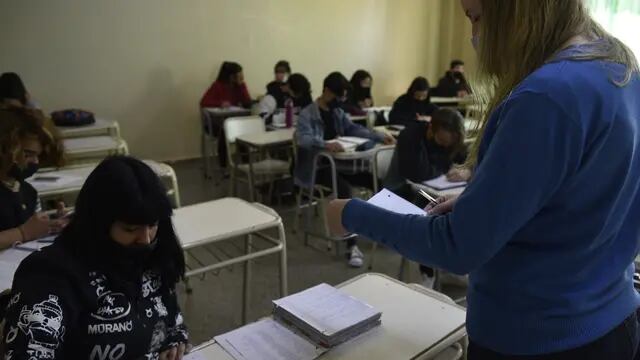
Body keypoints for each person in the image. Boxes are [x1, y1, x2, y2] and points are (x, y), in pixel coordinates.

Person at [326, 0, 640, 358]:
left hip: (539, 336)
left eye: (477, 17)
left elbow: (458, 247)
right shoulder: (618, 67)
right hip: (612, 318)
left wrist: (352, 213)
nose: (475, 35)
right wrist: (486, 201)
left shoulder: (546, 96)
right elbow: (585, 194)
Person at [1, 156, 189, 359]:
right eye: (130, 229)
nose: (145, 239)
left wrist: (175, 336)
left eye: (152, 225)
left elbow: (170, 315)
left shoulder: (153, 253)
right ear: (99, 224)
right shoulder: (49, 275)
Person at [295, 72, 395, 268]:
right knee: (345, 192)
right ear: (326, 91)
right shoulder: (308, 113)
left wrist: (378, 136)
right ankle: (352, 246)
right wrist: (325, 144)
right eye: (337, 97)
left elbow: (353, 129)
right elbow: (303, 139)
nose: (339, 102)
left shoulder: (337, 112)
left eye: (342, 98)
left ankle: (387, 230)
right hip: (318, 168)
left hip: (341, 164)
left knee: (377, 182)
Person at [384, 108, 467, 288]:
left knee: (459, 208)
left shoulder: (450, 139)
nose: (445, 146)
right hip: (402, 189)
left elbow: (464, 160)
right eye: (441, 141)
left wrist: (465, 171)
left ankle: (449, 265)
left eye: (449, 144)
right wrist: (445, 168)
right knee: (432, 209)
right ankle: (428, 272)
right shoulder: (410, 136)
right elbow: (416, 173)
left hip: (431, 188)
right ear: (431, 128)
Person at [0, 107, 66, 251]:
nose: (35, 162)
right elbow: (26, 232)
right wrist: (22, 233)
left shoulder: (28, 192)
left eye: (38, 156)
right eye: (27, 154)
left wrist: (50, 225)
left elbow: (33, 232)